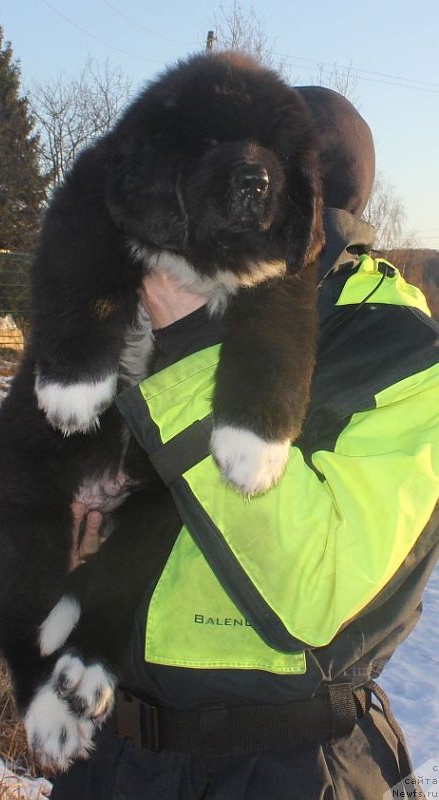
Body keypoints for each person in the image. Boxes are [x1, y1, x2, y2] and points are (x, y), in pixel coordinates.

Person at [51, 87, 439, 799]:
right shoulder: (193, 311)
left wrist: (197, 347)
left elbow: (315, 589)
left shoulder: (403, 357)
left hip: (287, 769)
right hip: (118, 757)